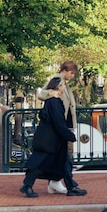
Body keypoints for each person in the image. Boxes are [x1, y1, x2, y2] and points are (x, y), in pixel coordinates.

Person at [19, 77, 77, 197]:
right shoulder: (54, 102)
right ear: (59, 87)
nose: (65, 87)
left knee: (64, 162)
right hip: (49, 140)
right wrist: (68, 135)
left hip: (52, 139)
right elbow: (58, 121)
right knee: (40, 163)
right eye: (63, 86)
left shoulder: (51, 101)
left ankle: (71, 186)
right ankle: (27, 186)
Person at [38, 61, 87, 196]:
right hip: (61, 126)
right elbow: (41, 94)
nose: (72, 76)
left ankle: (55, 182)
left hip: (64, 125)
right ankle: (67, 185)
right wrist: (51, 93)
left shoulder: (64, 83)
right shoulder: (56, 80)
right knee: (66, 157)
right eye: (71, 73)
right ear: (64, 70)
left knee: (63, 157)